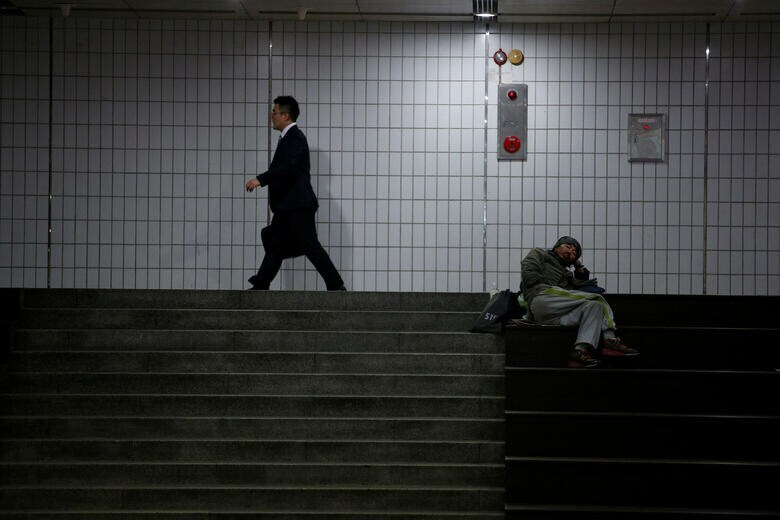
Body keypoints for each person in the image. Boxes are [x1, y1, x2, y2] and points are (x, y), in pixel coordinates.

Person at [245, 96, 345, 291]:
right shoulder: (289, 138)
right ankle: (262, 283)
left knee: (308, 245)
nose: (271, 117)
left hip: (298, 205)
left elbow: (288, 167)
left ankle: (336, 284)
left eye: (274, 113)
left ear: (285, 115)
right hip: (288, 206)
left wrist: (261, 179)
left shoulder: (295, 137)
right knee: (274, 241)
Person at [520, 236, 639, 368]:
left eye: (575, 252)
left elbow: (578, 290)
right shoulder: (539, 253)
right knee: (597, 297)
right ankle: (610, 340)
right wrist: (546, 282)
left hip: (555, 315)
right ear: (557, 247)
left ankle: (579, 352)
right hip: (541, 297)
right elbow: (528, 273)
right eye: (568, 246)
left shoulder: (567, 274)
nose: (571, 251)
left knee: (595, 306)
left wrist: (578, 267)